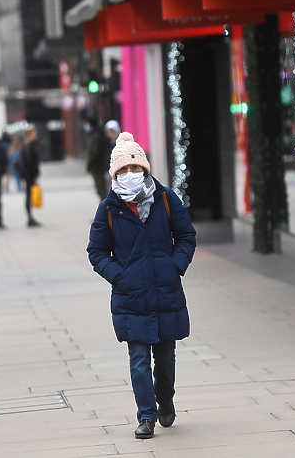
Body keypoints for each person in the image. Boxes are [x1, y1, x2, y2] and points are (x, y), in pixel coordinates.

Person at [87, 132, 197, 440]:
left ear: (145, 169)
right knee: (138, 360)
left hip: (165, 291)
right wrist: (120, 276)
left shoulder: (165, 198)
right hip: (131, 297)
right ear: (115, 175)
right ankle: (146, 416)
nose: (130, 174)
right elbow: (96, 251)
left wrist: (175, 265)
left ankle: (165, 399)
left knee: (164, 359)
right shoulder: (109, 208)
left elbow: (186, 236)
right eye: (123, 170)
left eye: (135, 168)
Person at [20, 125, 41, 227]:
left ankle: (30, 217)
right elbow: (30, 162)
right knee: (29, 195)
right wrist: (35, 174)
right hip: (29, 175)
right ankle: (29, 218)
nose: (35, 135)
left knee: (29, 195)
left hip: (29, 174)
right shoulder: (29, 146)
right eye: (33, 134)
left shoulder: (31, 145)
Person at [85, 117, 111, 199]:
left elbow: (95, 152)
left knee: (101, 189)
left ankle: (106, 208)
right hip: (98, 166)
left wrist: (90, 164)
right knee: (101, 189)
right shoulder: (96, 134)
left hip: (97, 166)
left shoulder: (97, 136)